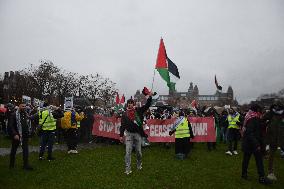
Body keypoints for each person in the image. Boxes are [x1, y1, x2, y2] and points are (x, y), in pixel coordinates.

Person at [119, 94, 152, 175]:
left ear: (133, 104)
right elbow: (122, 125)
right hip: (129, 134)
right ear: (127, 104)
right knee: (128, 152)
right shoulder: (124, 114)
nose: (130, 104)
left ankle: (139, 164)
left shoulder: (138, 111)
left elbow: (147, 105)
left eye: (131, 103)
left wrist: (149, 97)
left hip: (137, 134)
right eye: (128, 103)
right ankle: (128, 169)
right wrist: (121, 135)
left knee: (138, 152)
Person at [241, 104, 272, 184]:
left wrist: (265, 124)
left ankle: (261, 177)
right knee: (247, 160)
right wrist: (257, 144)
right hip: (251, 143)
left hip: (253, 142)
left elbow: (257, 127)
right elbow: (250, 132)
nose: (261, 112)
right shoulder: (252, 118)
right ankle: (244, 174)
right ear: (257, 110)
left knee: (258, 161)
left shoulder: (253, 117)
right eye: (260, 110)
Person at [262, 99, 284, 181]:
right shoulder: (270, 113)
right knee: (271, 155)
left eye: (277, 105)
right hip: (272, 138)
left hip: (282, 137)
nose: (276, 107)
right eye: (275, 105)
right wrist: (266, 124)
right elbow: (262, 120)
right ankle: (271, 172)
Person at [9, 104, 33, 170]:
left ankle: (26, 165)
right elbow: (11, 126)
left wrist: (29, 135)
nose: (24, 107)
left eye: (25, 106)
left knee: (26, 150)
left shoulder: (25, 114)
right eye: (22, 106)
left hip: (25, 136)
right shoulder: (14, 114)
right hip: (17, 135)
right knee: (14, 150)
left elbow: (27, 125)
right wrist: (14, 134)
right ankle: (11, 164)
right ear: (19, 107)